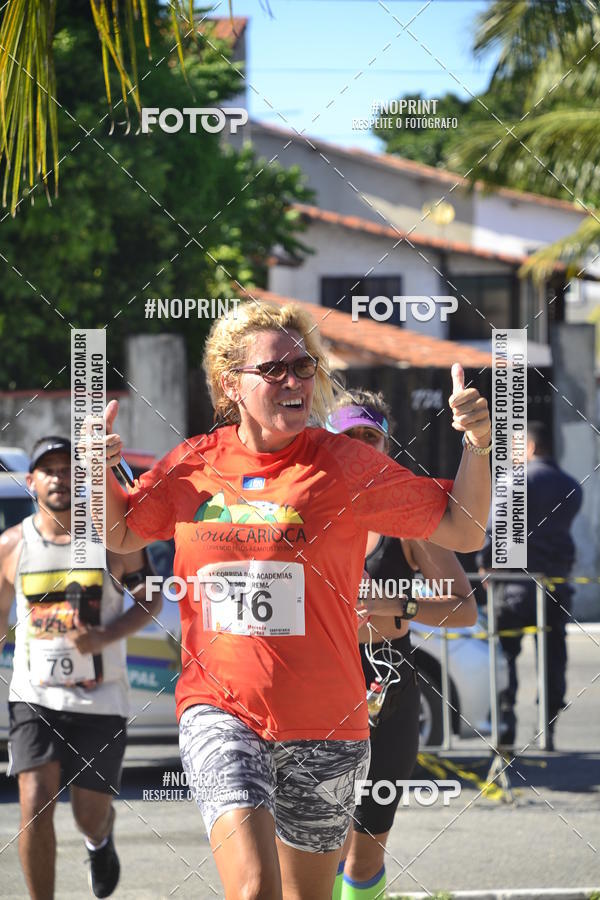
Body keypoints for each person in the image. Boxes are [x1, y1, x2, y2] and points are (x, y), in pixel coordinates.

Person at [97, 299, 491, 900]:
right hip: (219, 707)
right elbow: (121, 532)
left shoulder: (346, 467)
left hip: (328, 719)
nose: (294, 381)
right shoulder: (194, 465)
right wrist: (96, 470)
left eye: (303, 367)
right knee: (255, 889)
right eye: (273, 370)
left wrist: (479, 445)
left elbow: (465, 531)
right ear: (231, 383)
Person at [326, 389, 477, 900]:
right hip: (319, 685)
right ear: (328, 443)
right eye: (349, 437)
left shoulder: (406, 519)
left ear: (387, 446)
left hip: (386, 683)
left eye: (372, 437)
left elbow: (465, 607)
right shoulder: (305, 517)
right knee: (318, 844)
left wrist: (399, 607)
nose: (362, 447)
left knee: (366, 847)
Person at [0, 436, 162, 900]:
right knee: (33, 802)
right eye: (48, 470)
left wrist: (105, 637)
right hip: (35, 694)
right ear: (31, 482)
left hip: (101, 696)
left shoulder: (110, 539)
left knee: (87, 813)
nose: (59, 477)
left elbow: (151, 596)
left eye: (69, 468)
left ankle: (100, 839)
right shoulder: (12, 545)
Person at [477, 420, 583, 750]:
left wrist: (484, 565)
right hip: (555, 585)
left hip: (513, 584)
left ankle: (505, 722)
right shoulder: (571, 485)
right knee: (552, 654)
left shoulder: (511, 481)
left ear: (531, 448)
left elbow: (492, 530)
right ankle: (547, 725)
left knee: (505, 654)